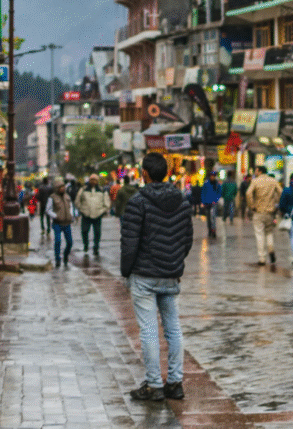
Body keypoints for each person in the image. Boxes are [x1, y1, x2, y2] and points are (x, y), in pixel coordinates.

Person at [120, 152, 193, 402]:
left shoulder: (137, 202)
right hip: (170, 274)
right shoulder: (182, 201)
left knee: (149, 330)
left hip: (144, 275)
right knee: (173, 329)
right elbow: (187, 239)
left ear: (145, 174)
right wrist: (175, 262)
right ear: (166, 173)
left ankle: (154, 384)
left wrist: (126, 270)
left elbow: (129, 243)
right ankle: (175, 382)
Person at [247, 166, 282, 265]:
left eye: (256, 171)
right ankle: (271, 249)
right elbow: (281, 192)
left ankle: (262, 258)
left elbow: (248, 193)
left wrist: (252, 206)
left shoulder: (255, 181)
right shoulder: (273, 181)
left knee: (259, 234)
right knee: (269, 232)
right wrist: (276, 203)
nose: (255, 172)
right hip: (270, 212)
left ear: (260, 171)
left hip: (258, 211)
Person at [77, 174, 111, 256]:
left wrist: (102, 211)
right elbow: (78, 200)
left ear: (97, 181)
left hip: (97, 215)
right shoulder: (83, 189)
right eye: (92, 180)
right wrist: (82, 209)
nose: (93, 181)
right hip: (86, 215)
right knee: (84, 231)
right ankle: (86, 245)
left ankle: (96, 247)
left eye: (95, 180)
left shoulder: (102, 190)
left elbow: (107, 203)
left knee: (97, 232)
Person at [47, 177, 73, 267]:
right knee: (57, 241)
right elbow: (48, 210)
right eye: (60, 187)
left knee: (70, 242)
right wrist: (55, 216)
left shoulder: (67, 196)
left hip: (67, 223)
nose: (62, 188)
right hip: (57, 223)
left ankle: (66, 255)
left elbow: (71, 207)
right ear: (57, 188)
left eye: (63, 187)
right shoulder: (52, 197)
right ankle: (57, 258)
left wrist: (72, 215)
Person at [200, 170, 221, 238]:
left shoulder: (217, 184)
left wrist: (216, 199)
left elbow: (219, 193)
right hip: (207, 203)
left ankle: (213, 230)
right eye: (211, 176)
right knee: (208, 218)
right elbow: (203, 193)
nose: (212, 177)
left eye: (213, 176)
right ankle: (209, 230)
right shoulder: (206, 184)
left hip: (214, 203)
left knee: (213, 217)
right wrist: (203, 202)